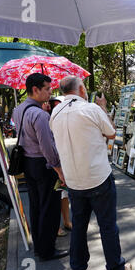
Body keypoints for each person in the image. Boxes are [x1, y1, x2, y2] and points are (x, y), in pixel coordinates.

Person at [49, 76, 132, 270]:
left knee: (78, 225)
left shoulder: (55, 113)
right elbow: (112, 133)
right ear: (81, 89)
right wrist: (102, 108)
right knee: (107, 226)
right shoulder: (91, 109)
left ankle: (78, 267)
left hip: (73, 180)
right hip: (98, 178)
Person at [12, 73, 69, 261]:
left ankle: (39, 245)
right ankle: (47, 250)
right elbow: (47, 147)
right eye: (47, 88)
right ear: (35, 89)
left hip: (28, 164)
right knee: (50, 208)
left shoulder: (19, 110)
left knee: (36, 206)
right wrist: (59, 169)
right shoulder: (39, 115)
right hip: (43, 166)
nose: (50, 92)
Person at [45, 96, 73, 237]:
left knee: (64, 194)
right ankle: (55, 226)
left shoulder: (62, 120)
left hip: (63, 161)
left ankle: (67, 221)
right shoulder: (45, 119)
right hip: (53, 164)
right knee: (55, 196)